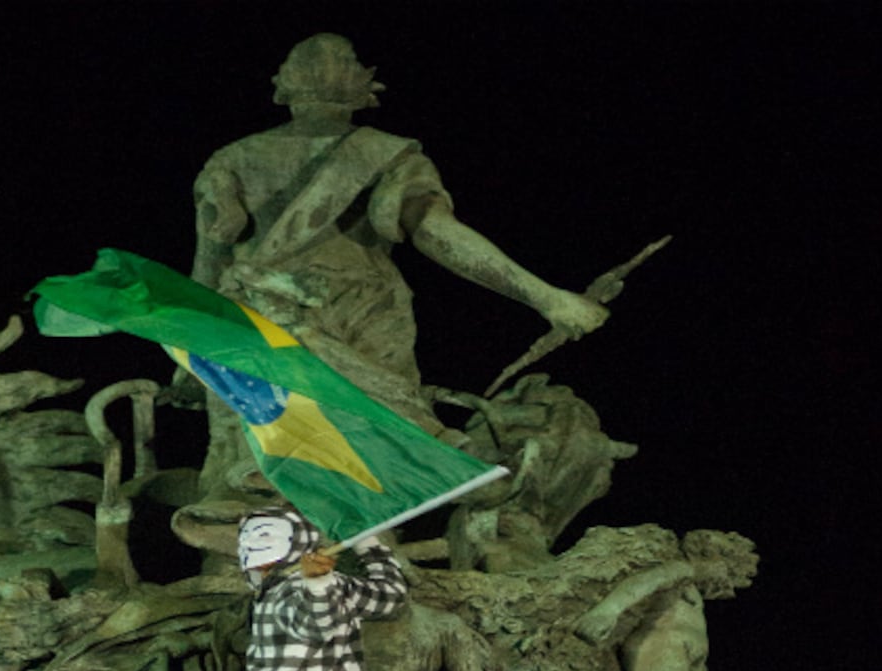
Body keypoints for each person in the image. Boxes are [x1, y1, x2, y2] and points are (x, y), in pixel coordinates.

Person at [187, 33, 609, 495]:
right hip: (361, 312)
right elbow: (435, 233)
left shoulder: (230, 160)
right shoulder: (389, 156)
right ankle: (373, 555)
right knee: (375, 457)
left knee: (253, 462)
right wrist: (548, 298)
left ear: (284, 85)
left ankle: (246, 556)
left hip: (252, 321)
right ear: (363, 85)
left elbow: (209, 261)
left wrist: (186, 349)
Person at [173, 506, 407, 671]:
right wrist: (366, 541)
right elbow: (392, 595)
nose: (252, 542)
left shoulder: (303, 585)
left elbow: (317, 624)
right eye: (245, 536)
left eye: (265, 534)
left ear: (296, 540)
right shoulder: (271, 592)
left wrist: (318, 584)